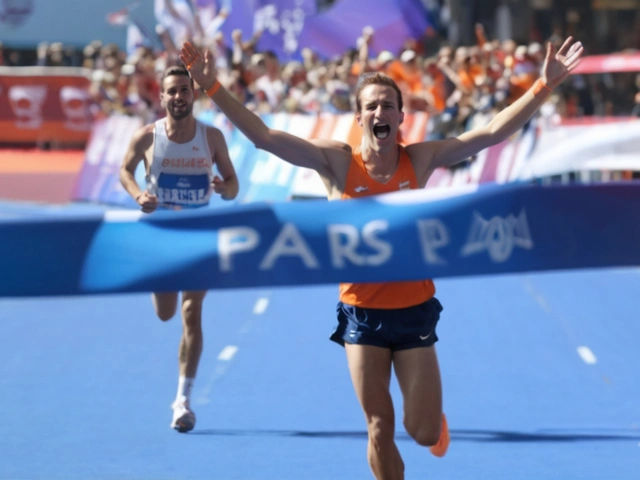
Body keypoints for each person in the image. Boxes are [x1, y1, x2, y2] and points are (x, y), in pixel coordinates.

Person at [179, 37, 583, 477]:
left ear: (401, 117)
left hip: (414, 313)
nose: (379, 113)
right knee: (378, 426)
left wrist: (543, 87)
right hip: (361, 315)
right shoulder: (336, 163)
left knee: (423, 432)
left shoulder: (419, 159)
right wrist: (212, 86)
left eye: (388, 106)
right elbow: (264, 137)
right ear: (358, 117)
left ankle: (434, 423)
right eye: (371, 106)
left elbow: (488, 135)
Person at [119, 64, 239, 433]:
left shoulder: (212, 138)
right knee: (166, 313)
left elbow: (234, 185)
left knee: (192, 311)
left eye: (184, 90)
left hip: (197, 237)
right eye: (171, 91)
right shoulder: (147, 137)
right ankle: (159, 292)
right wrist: (139, 193)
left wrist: (224, 189)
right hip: (160, 236)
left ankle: (182, 401)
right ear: (162, 97)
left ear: (194, 95)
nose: (178, 97)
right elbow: (125, 170)